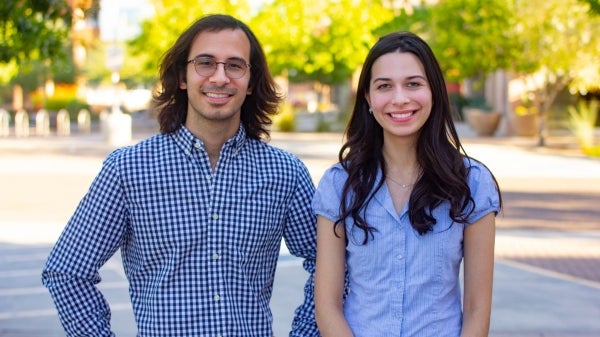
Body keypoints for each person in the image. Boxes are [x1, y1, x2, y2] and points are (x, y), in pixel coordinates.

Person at [42, 14, 318, 337]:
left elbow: (332, 268)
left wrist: (306, 333)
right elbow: (67, 270)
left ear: (251, 81)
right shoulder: (128, 169)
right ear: (183, 77)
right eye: (205, 63)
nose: (220, 77)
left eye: (235, 65)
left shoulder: (285, 174)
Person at [312, 31, 502, 337]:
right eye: (384, 86)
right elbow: (327, 306)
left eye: (413, 83)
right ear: (369, 99)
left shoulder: (473, 184)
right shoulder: (340, 184)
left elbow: (478, 309)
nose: (400, 98)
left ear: (434, 92)